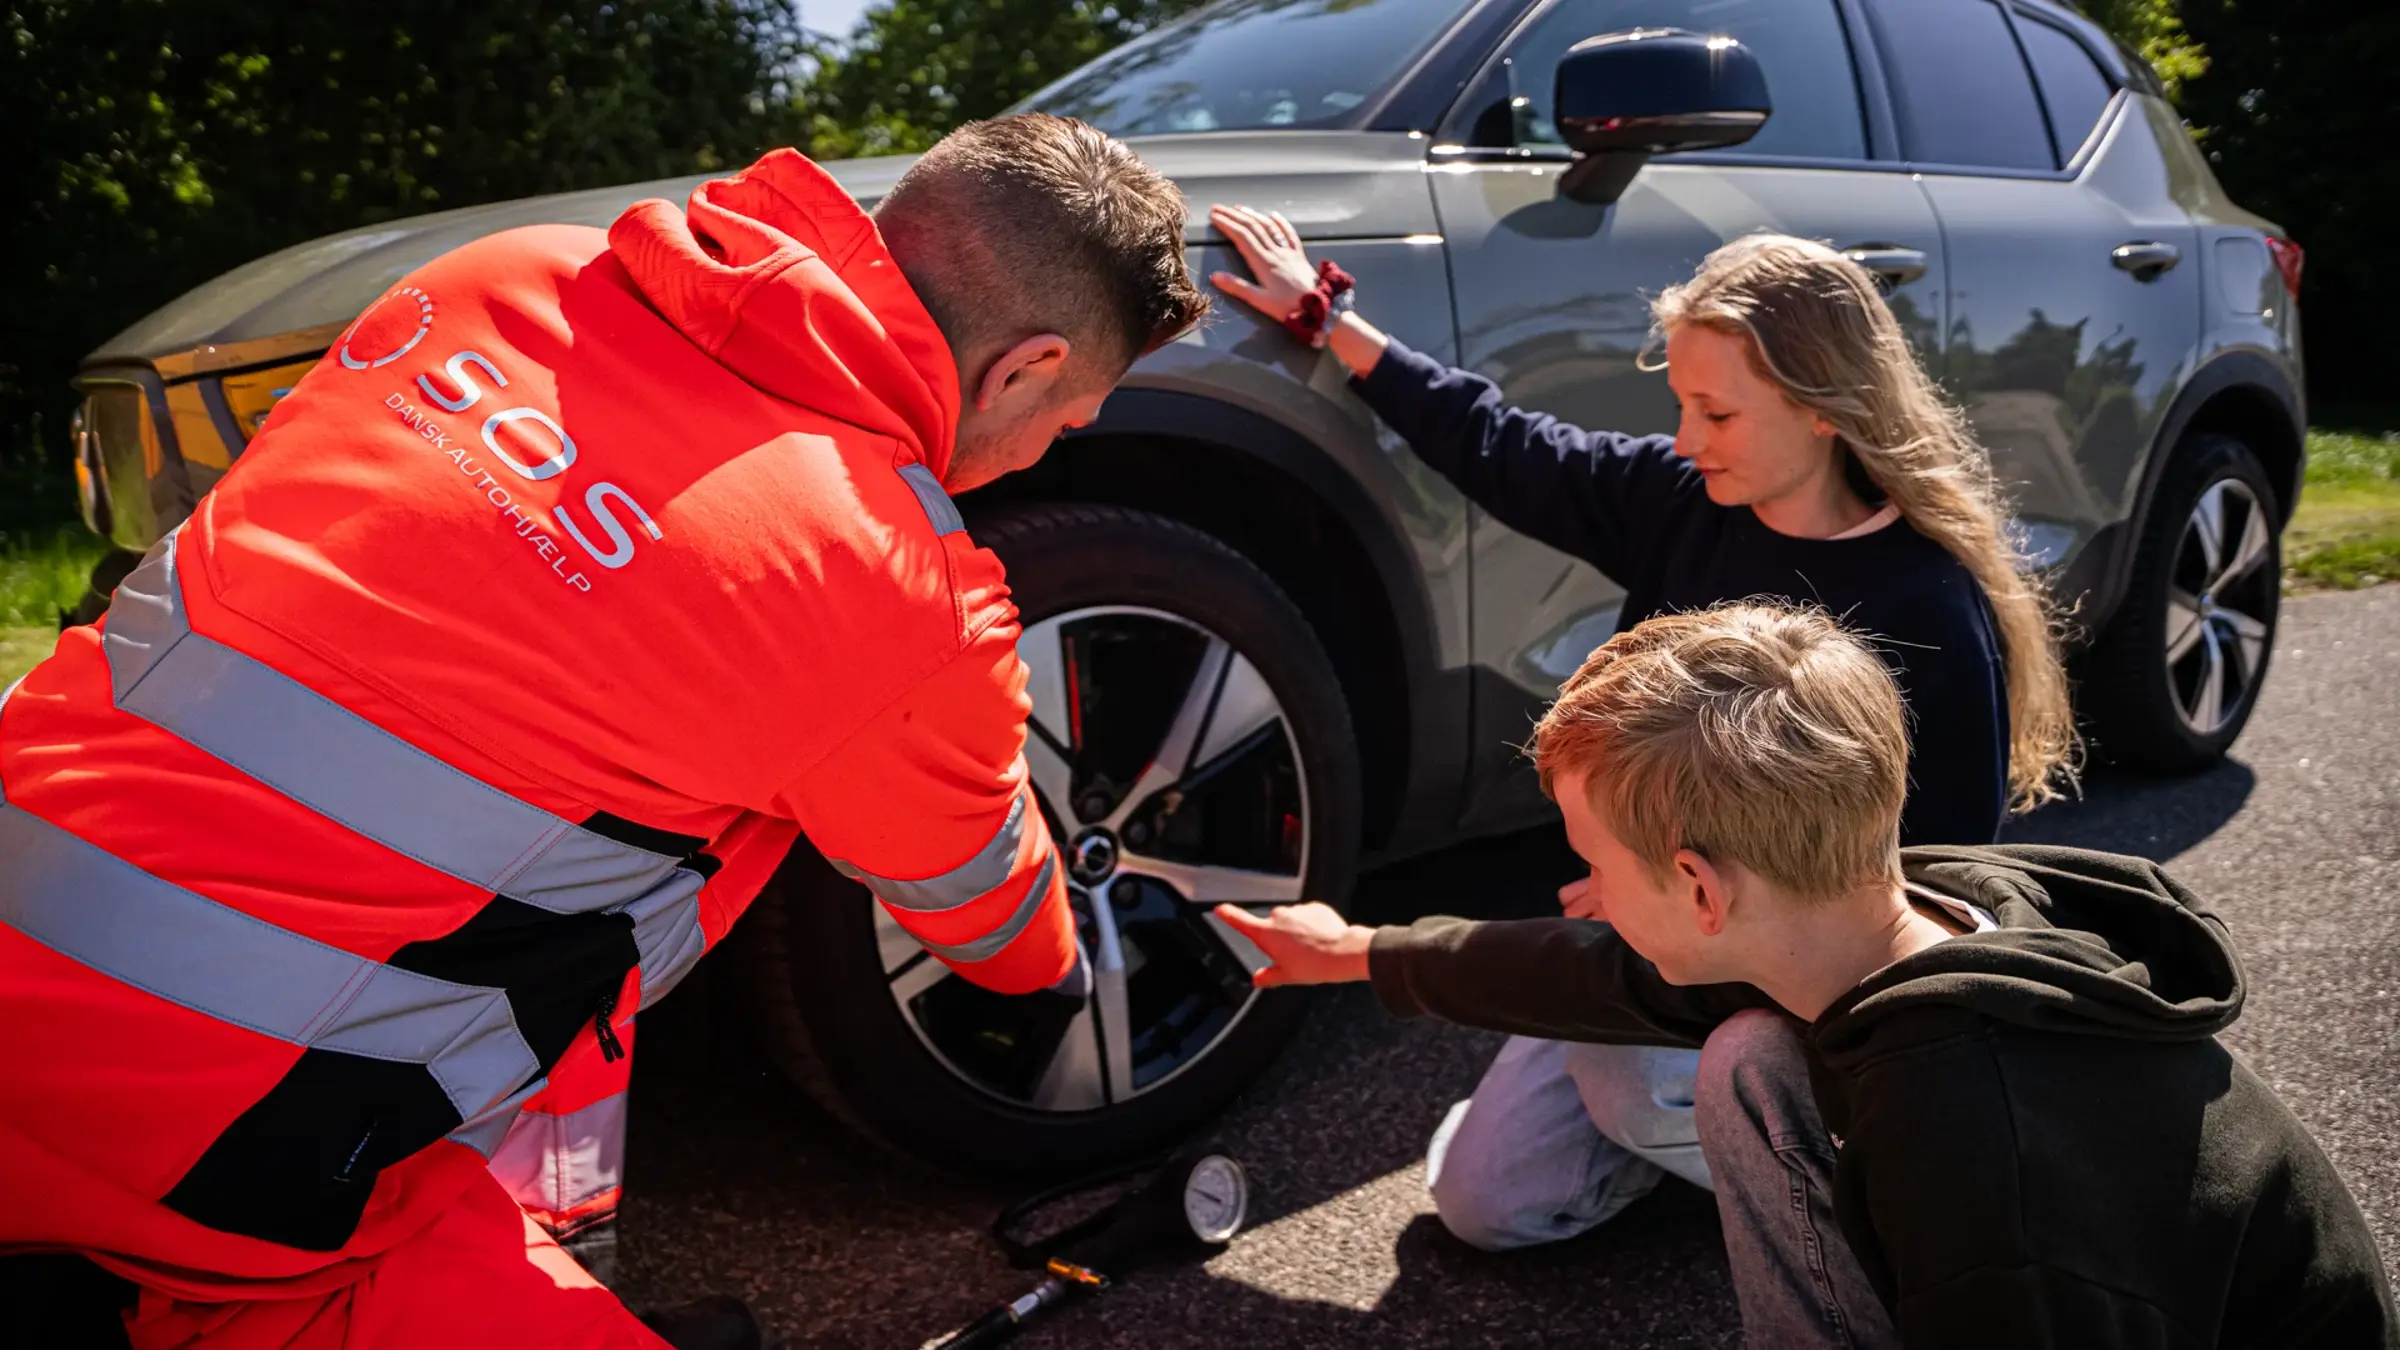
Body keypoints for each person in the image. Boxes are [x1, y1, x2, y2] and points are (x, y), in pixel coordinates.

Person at [0, 114, 1206, 1350]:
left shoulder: (501, 277)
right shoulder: (901, 591)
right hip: (208, 1178)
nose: (1035, 455)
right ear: (1024, 366)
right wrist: (1075, 966)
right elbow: (997, 928)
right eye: (1063, 421)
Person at [1209, 209, 2078, 1252]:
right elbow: (1500, 444)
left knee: (1632, 1079)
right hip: (1657, 937)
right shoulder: (1682, 503)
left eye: (1715, 412)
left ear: (1821, 410)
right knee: (1485, 1205)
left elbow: (1940, 869)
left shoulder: (1926, 607)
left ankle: (1882, 1187)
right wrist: (1329, 318)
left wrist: (1701, 927)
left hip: (1807, 979)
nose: (1683, 438)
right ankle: (1708, 1120)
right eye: (1680, 405)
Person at [1218, 602, 2397, 1348]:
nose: (1578, 894)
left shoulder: (1984, 1154)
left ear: (1699, 889)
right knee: (1744, 1059)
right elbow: (1607, 979)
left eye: (1588, 866)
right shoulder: (1892, 917)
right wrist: (1363, 953)